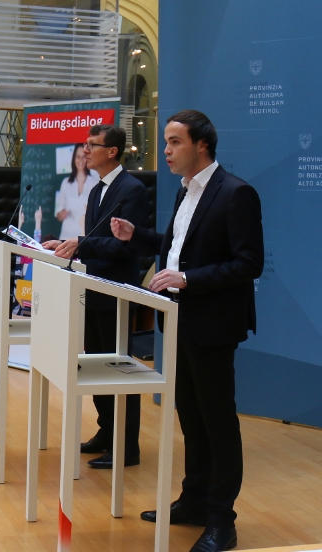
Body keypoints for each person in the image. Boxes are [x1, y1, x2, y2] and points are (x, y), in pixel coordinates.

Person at [111, 110, 263, 552]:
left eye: (175, 141)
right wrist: (136, 236)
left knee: (217, 423)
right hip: (179, 320)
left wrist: (188, 279)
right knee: (192, 420)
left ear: (202, 145)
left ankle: (222, 522)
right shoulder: (185, 191)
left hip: (213, 325)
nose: (166, 150)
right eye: (166, 141)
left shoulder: (236, 193)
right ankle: (194, 501)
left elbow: (248, 263)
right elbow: (176, 249)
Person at [41, 124, 150, 470]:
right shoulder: (96, 189)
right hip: (92, 289)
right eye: (85, 145)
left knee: (117, 369)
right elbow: (92, 239)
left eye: (92, 145)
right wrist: (66, 245)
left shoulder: (132, 190)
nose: (85, 151)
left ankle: (126, 446)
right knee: (96, 366)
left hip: (116, 291)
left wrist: (81, 244)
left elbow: (125, 245)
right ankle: (106, 432)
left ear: (112, 151)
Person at [56, 142, 100, 239]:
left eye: (84, 157)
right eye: (78, 156)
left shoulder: (95, 182)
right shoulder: (66, 183)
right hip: (66, 236)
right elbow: (59, 213)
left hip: (85, 236)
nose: (80, 160)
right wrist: (61, 214)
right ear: (73, 158)